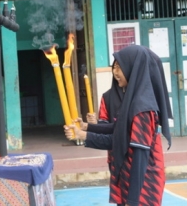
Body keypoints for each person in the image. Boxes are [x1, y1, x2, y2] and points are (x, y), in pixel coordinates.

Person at [65, 45, 172, 206]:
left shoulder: (142, 108)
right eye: (114, 67)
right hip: (129, 176)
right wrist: (85, 130)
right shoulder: (132, 102)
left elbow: (140, 156)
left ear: (132, 68)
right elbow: (119, 131)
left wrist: (133, 200)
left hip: (144, 183)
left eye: (120, 67)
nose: (115, 73)